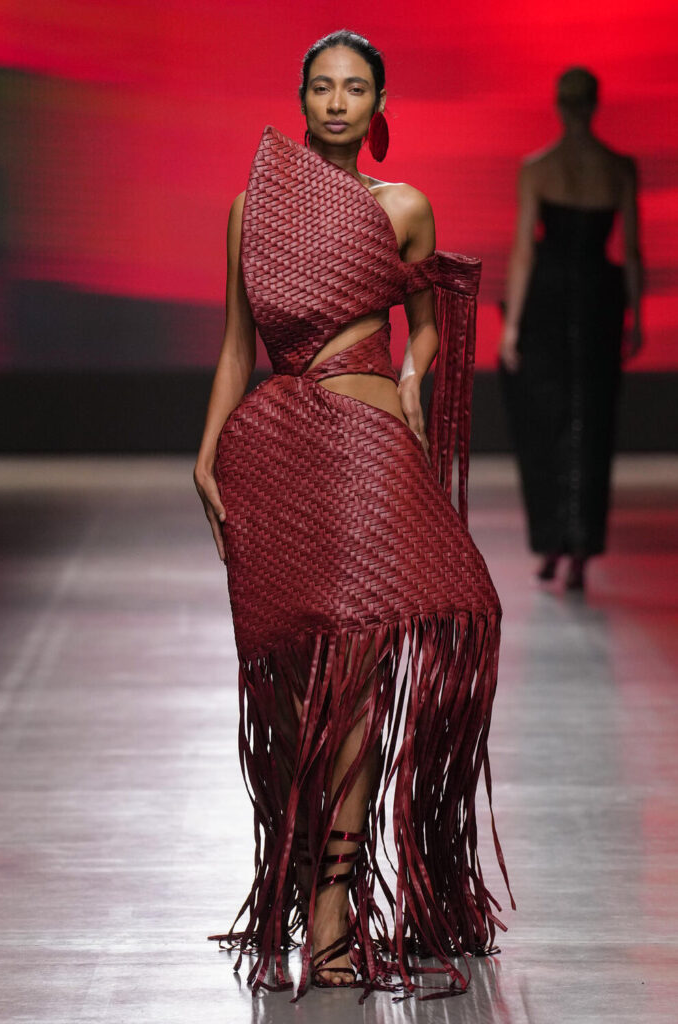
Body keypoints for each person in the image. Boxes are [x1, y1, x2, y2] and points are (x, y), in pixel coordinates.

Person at [194, 30, 513, 1001]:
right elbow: (236, 346)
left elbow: (423, 329)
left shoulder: (402, 208)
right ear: (299, 100)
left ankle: (332, 917)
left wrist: (413, 389)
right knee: (296, 694)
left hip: (368, 451)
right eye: (321, 87)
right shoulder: (254, 209)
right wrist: (206, 454)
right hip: (278, 448)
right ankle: (304, 882)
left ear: (377, 109)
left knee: (358, 691)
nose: (337, 103)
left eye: (355, 89)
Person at [499, 67, 643, 590]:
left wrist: (512, 325)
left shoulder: (538, 168)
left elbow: (522, 254)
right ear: (595, 104)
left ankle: (555, 544)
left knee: (548, 421)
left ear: (560, 106)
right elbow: (629, 252)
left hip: (548, 299)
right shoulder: (618, 167)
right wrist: (637, 315)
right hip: (600, 299)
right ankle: (580, 547)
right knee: (593, 421)